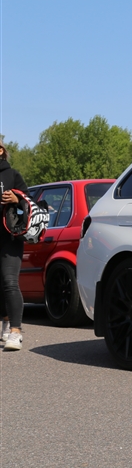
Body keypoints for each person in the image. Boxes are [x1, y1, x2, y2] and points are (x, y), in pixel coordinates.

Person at [0, 139, 28, 350]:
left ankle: (16, 331)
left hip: (9, 238)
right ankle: (6, 320)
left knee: (10, 282)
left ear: (0, 151)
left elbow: (29, 206)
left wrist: (17, 200)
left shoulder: (12, 175)